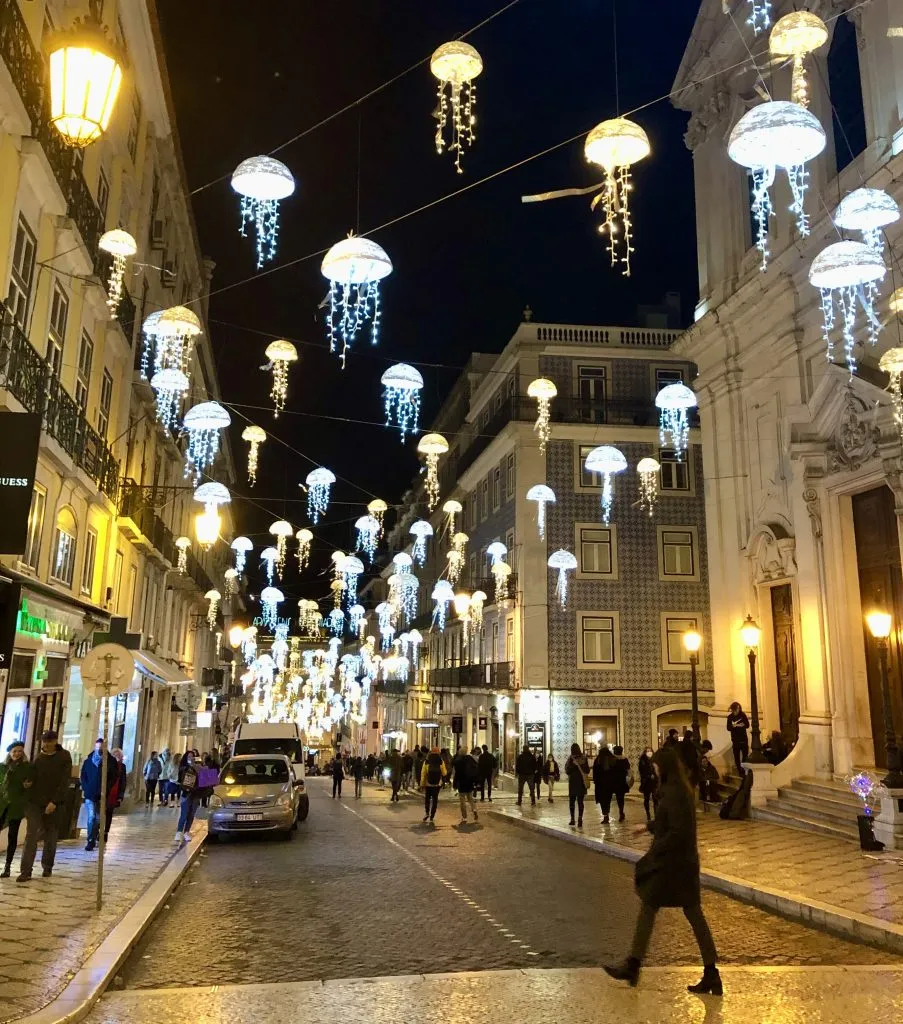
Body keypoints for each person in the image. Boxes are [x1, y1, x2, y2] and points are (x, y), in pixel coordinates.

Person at [604, 745, 721, 996]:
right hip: (681, 863)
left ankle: (633, 965)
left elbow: (678, 831)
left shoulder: (676, 792)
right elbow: (671, 822)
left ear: (665, 767)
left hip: (674, 865)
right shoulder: (677, 790)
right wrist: (647, 826)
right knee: (685, 913)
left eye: (656, 765)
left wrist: (656, 850)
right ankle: (711, 973)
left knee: (658, 907)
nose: (654, 769)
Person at [18, 729, 72, 882]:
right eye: (45, 742)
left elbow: (64, 782)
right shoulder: (39, 757)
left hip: (54, 804)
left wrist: (54, 801)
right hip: (35, 802)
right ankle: (26, 871)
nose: (47, 745)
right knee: (31, 835)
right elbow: (32, 775)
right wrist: (27, 783)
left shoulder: (63, 757)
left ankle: (47, 866)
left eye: (50, 741)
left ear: (55, 741)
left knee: (50, 835)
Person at [0, 741, 32, 877]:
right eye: (14, 751)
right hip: (2, 804)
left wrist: (28, 786)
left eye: (20, 751)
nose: (17, 754)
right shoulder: (3, 767)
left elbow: (29, 784)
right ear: (10, 752)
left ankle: (7, 866)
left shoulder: (26, 767)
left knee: (12, 836)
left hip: (16, 806)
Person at [80, 739, 117, 852]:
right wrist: (86, 788)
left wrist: (107, 788)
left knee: (98, 818)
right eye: (98, 747)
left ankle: (96, 835)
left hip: (102, 795)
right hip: (90, 795)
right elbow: (83, 776)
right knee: (91, 817)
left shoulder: (110, 762)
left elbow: (114, 777)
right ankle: (90, 840)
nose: (100, 749)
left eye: (102, 747)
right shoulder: (89, 761)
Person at [175, 750, 201, 842]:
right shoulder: (183, 768)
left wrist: (195, 767)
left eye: (192, 756)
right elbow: (180, 779)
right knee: (184, 814)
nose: (191, 758)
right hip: (186, 794)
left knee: (191, 814)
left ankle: (187, 831)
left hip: (196, 794)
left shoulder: (197, 768)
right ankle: (179, 832)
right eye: (189, 756)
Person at [565, 743, 589, 828]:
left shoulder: (571, 759)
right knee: (580, 802)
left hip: (573, 782)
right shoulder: (584, 758)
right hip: (581, 782)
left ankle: (572, 819)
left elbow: (567, 770)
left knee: (572, 801)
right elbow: (587, 770)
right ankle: (580, 819)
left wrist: (573, 766)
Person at [452, 747, 479, 824]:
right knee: (470, 798)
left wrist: (455, 784)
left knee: (462, 800)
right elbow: (475, 769)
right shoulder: (470, 759)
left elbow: (456, 774)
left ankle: (464, 817)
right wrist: (475, 781)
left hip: (461, 782)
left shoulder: (458, 761)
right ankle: (474, 809)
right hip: (469, 782)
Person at [421, 746, 446, 823]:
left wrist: (422, 784)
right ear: (438, 752)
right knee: (435, 800)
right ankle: (432, 816)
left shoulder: (427, 761)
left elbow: (423, 773)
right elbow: (444, 773)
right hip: (437, 783)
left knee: (427, 799)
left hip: (428, 783)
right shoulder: (441, 761)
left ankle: (427, 813)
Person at [108, 748, 128, 835]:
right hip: (107, 792)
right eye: (115, 755)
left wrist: (120, 796)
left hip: (115, 794)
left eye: (118, 755)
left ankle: (105, 832)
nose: (117, 757)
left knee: (109, 813)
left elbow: (123, 782)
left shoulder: (122, 767)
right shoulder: (107, 764)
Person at [592, 744, 615, 824]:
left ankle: (605, 815)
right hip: (609, 784)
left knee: (602, 800)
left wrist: (595, 780)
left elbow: (595, 772)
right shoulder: (612, 759)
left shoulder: (598, 760)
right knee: (608, 800)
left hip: (600, 784)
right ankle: (607, 812)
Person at [727, 702, 750, 775]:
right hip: (735, 740)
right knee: (736, 757)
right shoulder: (730, 717)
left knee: (745, 756)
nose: (738, 711)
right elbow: (728, 728)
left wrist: (742, 725)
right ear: (733, 710)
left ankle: (743, 769)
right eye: (736, 709)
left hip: (743, 739)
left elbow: (747, 725)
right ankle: (740, 771)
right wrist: (734, 726)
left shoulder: (743, 715)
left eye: (739, 709)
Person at [610, 746, 631, 822]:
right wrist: (629, 779)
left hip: (614, 780)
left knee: (613, 797)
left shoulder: (612, 759)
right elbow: (628, 770)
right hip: (622, 781)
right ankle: (621, 811)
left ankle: (607, 815)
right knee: (620, 798)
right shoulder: (624, 759)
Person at [638, 746, 657, 821]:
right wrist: (649, 775)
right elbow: (642, 771)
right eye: (647, 751)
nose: (649, 752)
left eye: (650, 751)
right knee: (646, 798)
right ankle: (648, 814)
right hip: (646, 782)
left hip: (654, 782)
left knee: (655, 799)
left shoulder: (655, 760)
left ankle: (656, 814)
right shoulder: (642, 760)